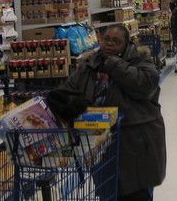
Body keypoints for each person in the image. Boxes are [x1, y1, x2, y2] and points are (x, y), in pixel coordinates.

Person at [47, 25, 166, 201]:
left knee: (136, 193)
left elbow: (145, 85)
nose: (109, 44)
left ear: (127, 45)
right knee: (108, 191)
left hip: (136, 143)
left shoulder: (141, 62)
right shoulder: (89, 65)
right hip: (101, 146)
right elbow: (68, 91)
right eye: (106, 39)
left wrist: (113, 63)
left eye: (116, 41)